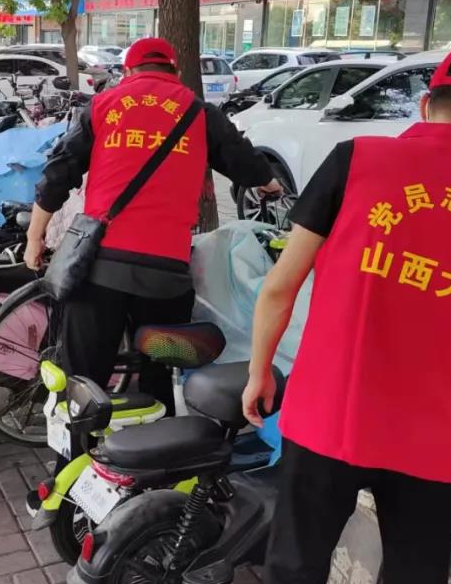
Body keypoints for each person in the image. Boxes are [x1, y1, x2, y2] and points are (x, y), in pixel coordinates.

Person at [243, 47, 451, 584]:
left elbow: (280, 287)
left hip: (328, 417)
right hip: (435, 440)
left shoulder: (354, 160)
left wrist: (260, 370)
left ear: (426, 104)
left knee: (291, 578)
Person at [24, 37, 281, 410]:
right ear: (175, 71)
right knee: (161, 377)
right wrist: (271, 184)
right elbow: (248, 164)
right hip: (166, 275)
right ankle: (155, 438)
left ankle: (79, 443)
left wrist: (35, 237)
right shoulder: (198, 112)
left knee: (83, 383)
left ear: (128, 70)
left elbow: (57, 174)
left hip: (100, 267)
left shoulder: (103, 105)